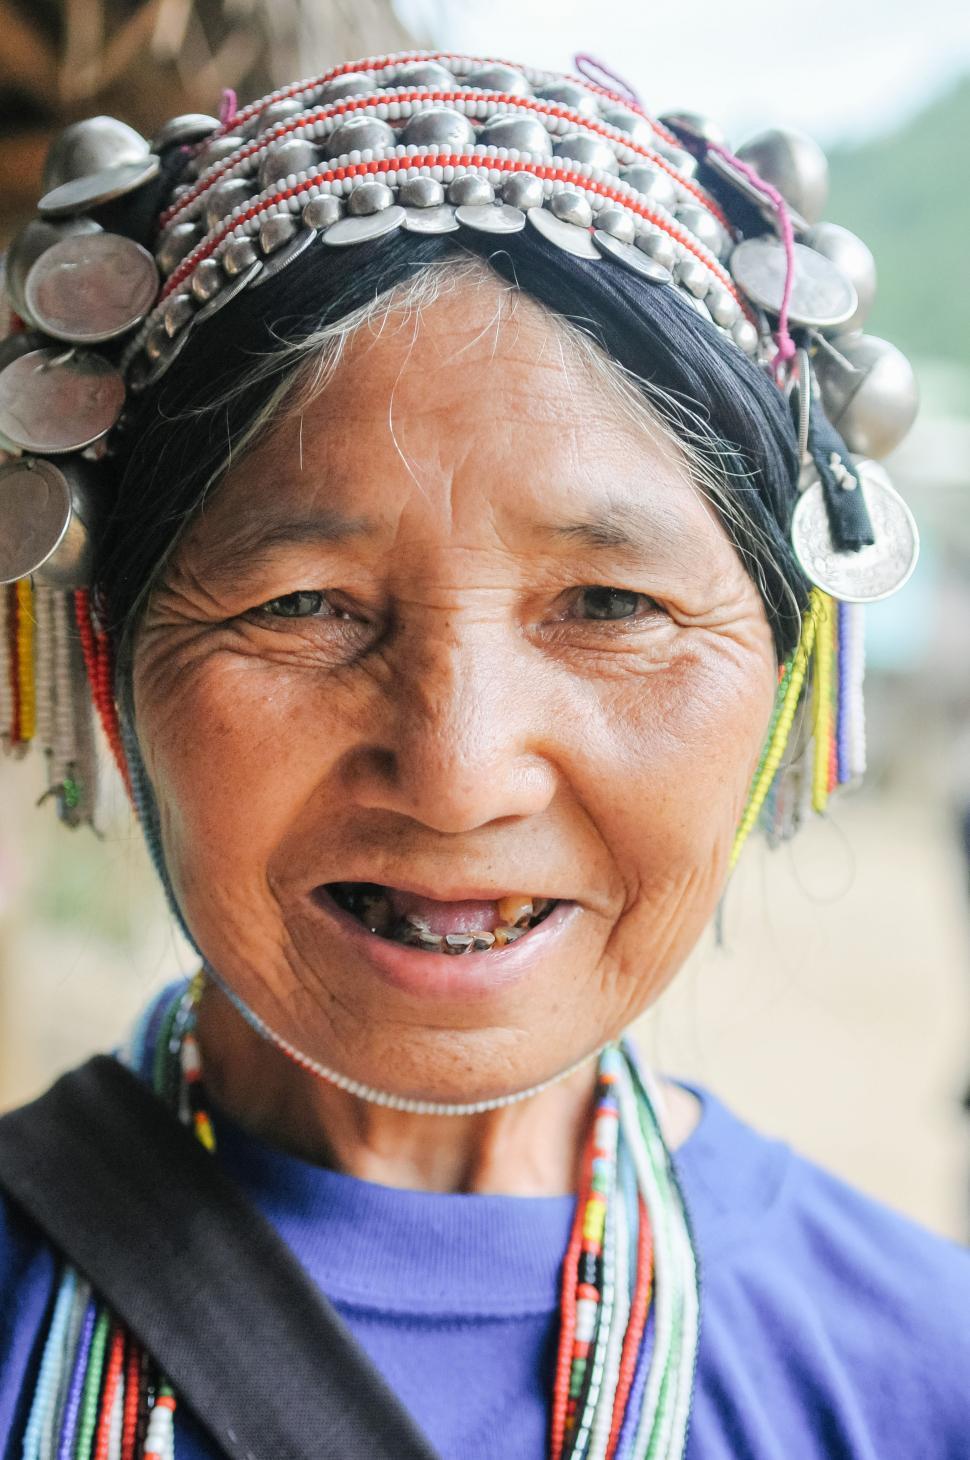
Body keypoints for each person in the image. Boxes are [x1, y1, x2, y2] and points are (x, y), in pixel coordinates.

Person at [0, 48, 963, 1460]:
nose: (456, 778)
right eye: (304, 607)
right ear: (108, 656)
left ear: (787, 667)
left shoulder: (921, 1381)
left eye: (610, 607)